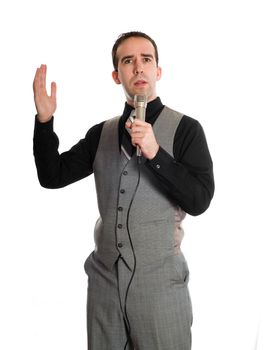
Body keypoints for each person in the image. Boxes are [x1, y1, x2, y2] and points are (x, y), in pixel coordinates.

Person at [33, 31, 214, 350]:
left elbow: (199, 201)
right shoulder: (100, 134)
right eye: (128, 61)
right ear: (117, 75)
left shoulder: (187, 130)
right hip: (104, 283)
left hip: (160, 287)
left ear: (158, 71)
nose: (138, 67)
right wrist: (45, 122)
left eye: (146, 59)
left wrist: (156, 152)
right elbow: (53, 176)